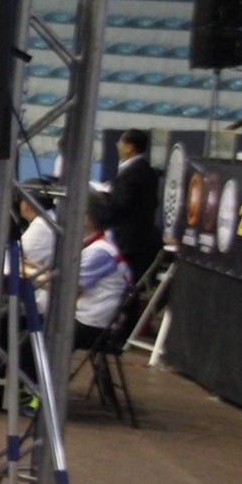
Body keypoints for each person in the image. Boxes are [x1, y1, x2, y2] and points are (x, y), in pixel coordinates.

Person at [70, 195, 133, 351]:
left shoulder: (98, 252)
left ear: (86, 219)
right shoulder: (101, 244)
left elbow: (68, 289)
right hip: (93, 319)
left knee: (35, 333)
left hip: (92, 325)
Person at [104, 128, 161, 281]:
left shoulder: (134, 171)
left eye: (120, 143)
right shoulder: (145, 170)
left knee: (127, 279)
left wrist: (107, 196)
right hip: (137, 238)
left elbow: (121, 203)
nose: (118, 146)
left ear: (129, 147)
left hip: (129, 241)